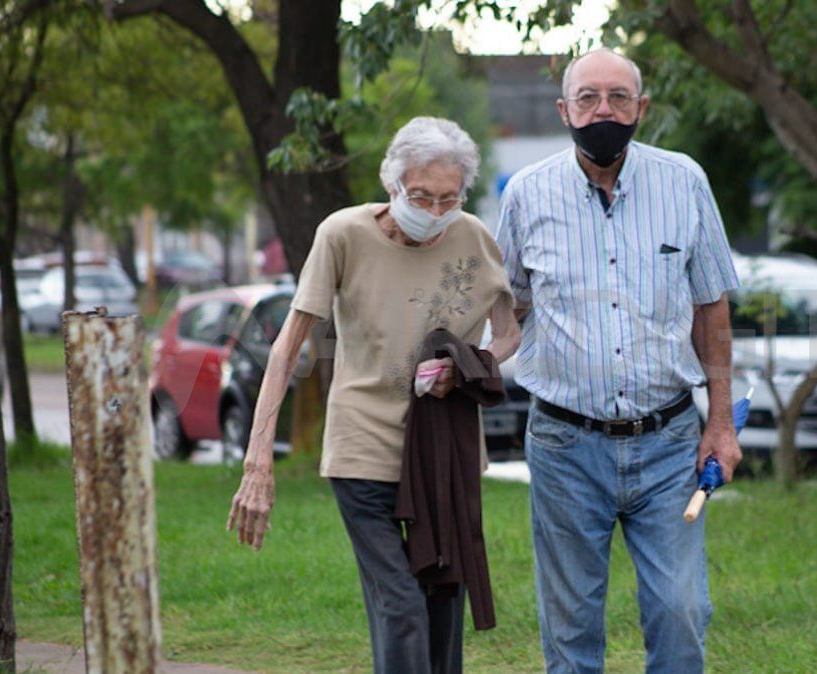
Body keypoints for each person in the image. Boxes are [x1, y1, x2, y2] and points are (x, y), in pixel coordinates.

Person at [226, 116, 520, 674]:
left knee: (440, 604)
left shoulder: (475, 237)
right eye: (421, 197)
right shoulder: (342, 234)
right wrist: (258, 459)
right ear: (392, 184)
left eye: (448, 199)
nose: (435, 213)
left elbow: (508, 335)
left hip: (444, 452)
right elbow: (288, 348)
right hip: (363, 447)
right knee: (401, 604)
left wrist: (470, 368)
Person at [495, 49, 742, 673]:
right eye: (588, 98)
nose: (603, 110)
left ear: (642, 108)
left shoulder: (685, 181)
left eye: (618, 98)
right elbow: (509, 311)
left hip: (669, 445)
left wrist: (721, 424)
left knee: (681, 612)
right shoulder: (526, 194)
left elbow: (712, 308)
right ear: (563, 109)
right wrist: (458, 365)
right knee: (572, 631)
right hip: (563, 445)